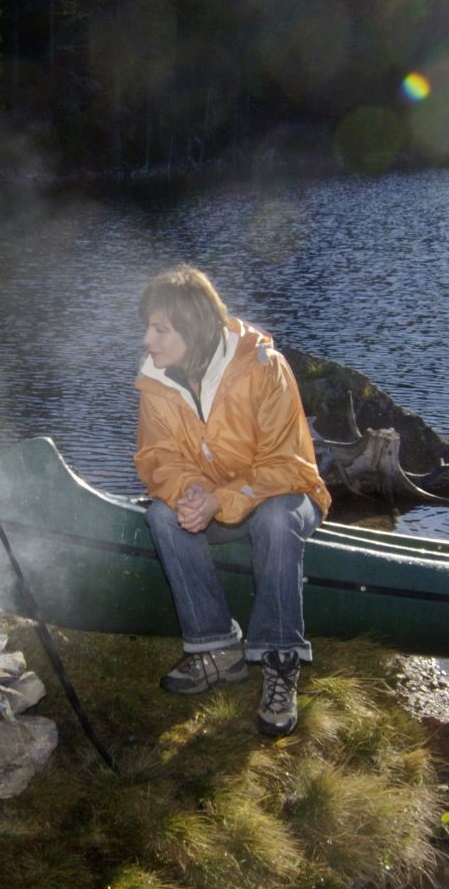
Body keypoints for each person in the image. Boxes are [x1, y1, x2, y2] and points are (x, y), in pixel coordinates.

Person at [133, 265, 331, 736]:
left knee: (276, 520)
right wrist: (190, 496)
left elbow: (286, 464)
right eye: (147, 327)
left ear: (194, 328)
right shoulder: (156, 382)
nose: (147, 340)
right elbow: (157, 457)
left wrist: (221, 500)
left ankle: (280, 661)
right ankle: (216, 648)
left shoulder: (263, 367)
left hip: (287, 492)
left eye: (159, 329)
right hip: (218, 501)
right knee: (163, 516)